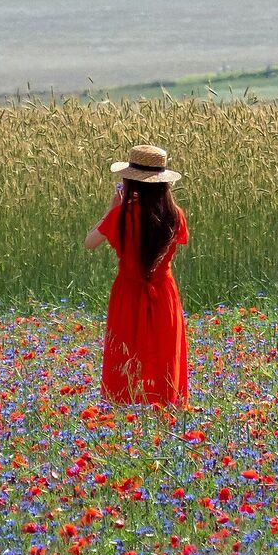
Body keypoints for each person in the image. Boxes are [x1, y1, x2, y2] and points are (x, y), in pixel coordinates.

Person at [86, 143, 189, 406]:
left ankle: (123, 412)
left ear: (130, 182)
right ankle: (165, 410)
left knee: (125, 355)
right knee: (164, 354)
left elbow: (90, 242)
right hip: (164, 294)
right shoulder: (175, 215)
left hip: (128, 293)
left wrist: (111, 209)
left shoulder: (121, 215)